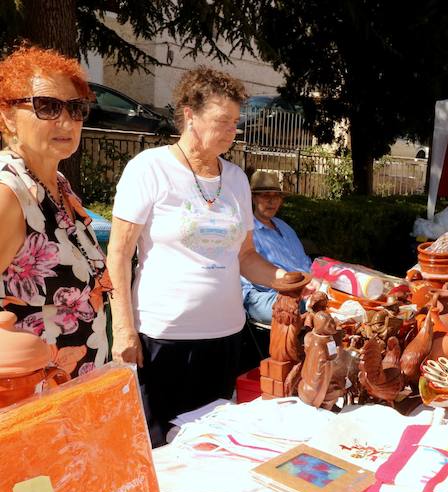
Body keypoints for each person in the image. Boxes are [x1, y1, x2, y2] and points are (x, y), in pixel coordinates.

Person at [108, 67, 302, 446]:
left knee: (210, 448)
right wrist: (123, 329)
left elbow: (246, 255)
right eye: (222, 121)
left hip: (225, 339)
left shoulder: (236, 179)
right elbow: (118, 253)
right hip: (163, 339)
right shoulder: (149, 169)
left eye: (235, 122)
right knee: (157, 449)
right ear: (190, 115)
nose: (233, 131)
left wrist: (282, 279)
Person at [0, 45, 110, 378]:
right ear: (7, 116)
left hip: (75, 391)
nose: (66, 121)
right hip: (32, 395)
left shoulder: (57, 185)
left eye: (76, 108)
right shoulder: (9, 193)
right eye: (47, 106)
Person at [241, 170, 312, 324]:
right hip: (264, 294)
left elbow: (304, 262)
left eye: (276, 196)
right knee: (299, 306)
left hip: (302, 288)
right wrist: (298, 290)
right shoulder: (247, 230)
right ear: (253, 198)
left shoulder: (285, 227)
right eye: (265, 195)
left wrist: (313, 283)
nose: (272, 201)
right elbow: (258, 281)